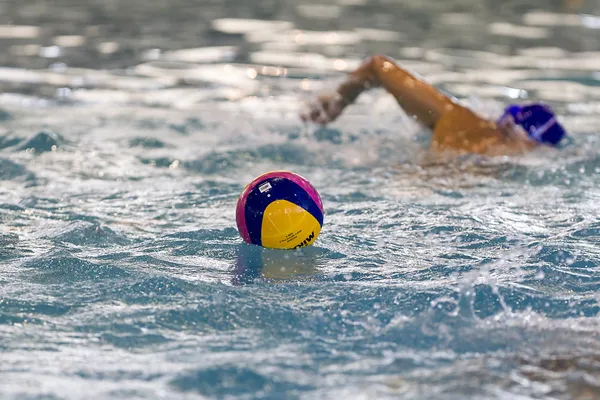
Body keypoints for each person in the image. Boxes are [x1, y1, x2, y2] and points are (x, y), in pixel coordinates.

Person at [301, 55, 567, 156]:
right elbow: (378, 66)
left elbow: (378, 67)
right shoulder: (498, 163)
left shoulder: (455, 118)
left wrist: (340, 100)